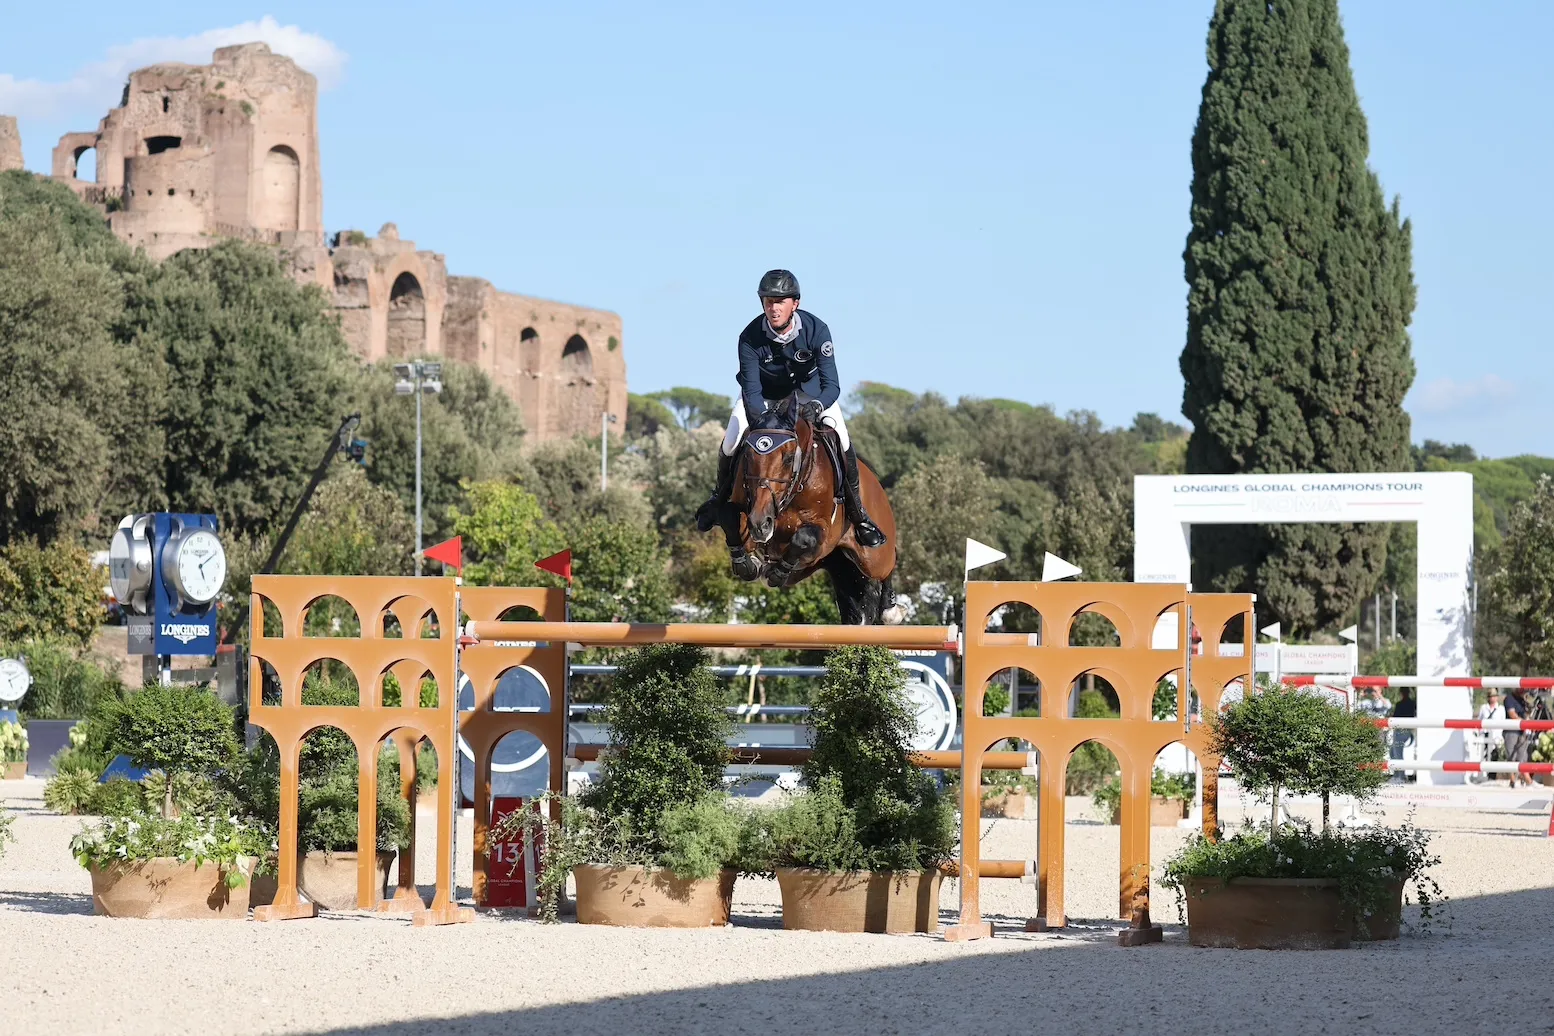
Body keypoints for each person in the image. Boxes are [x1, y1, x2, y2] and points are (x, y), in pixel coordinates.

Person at [694, 269, 885, 548]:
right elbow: (751, 388)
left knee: (842, 440)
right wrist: (761, 419)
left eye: (780, 301)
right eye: (768, 301)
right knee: (732, 440)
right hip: (764, 398)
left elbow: (832, 384)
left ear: (794, 303)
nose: (773, 308)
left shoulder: (817, 330)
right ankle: (717, 497)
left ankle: (859, 515)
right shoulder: (749, 337)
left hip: (810, 395)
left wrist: (817, 405)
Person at [1503, 688, 1532, 788]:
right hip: (1511, 731)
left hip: (1521, 731)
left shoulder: (1522, 701)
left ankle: (1525, 780)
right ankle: (1513, 781)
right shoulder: (1509, 699)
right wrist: (1524, 722)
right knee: (1511, 756)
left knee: (1523, 756)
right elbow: (1512, 715)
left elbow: (1526, 714)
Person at [1389, 687, 1417, 778]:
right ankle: (1398, 775)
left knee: (1397, 754)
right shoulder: (1413, 704)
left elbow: (1395, 717)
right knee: (1393, 752)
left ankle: (1400, 776)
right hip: (1408, 730)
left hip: (1400, 730)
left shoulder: (1399, 704)